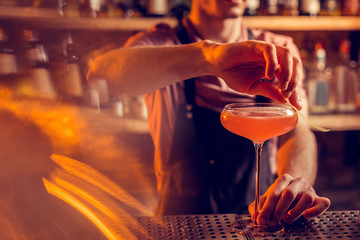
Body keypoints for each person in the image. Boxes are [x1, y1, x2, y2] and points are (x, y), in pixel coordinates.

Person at [87, 0, 330, 226]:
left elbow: (297, 130)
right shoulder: (161, 45)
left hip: (259, 221)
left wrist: (293, 183)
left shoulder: (277, 50)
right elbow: (102, 74)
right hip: (180, 226)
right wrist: (208, 57)